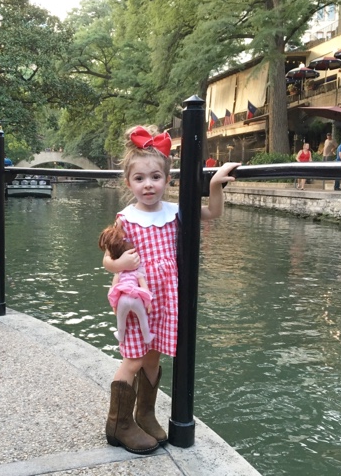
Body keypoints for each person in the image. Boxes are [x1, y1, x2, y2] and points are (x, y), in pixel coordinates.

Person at [101, 125, 240, 454]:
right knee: (134, 357)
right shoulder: (126, 219)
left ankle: (145, 414)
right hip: (138, 297)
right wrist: (120, 265)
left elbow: (213, 212)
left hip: (167, 296)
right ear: (128, 183)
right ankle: (118, 424)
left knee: (154, 355)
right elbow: (108, 260)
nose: (148, 185)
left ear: (167, 179)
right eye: (139, 178)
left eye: (155, 177)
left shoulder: (175, 211)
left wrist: (214, 185)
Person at [99, 223, 154, 345]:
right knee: (143, 318)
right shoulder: (138, 272)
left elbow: (113, 289)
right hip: (136, 298)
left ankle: (120, 335)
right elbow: (144, 288)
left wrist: (114, 305)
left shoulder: (119, 273)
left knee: (121, 320)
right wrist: (148, 302)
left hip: (122, 299)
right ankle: (147, 337)